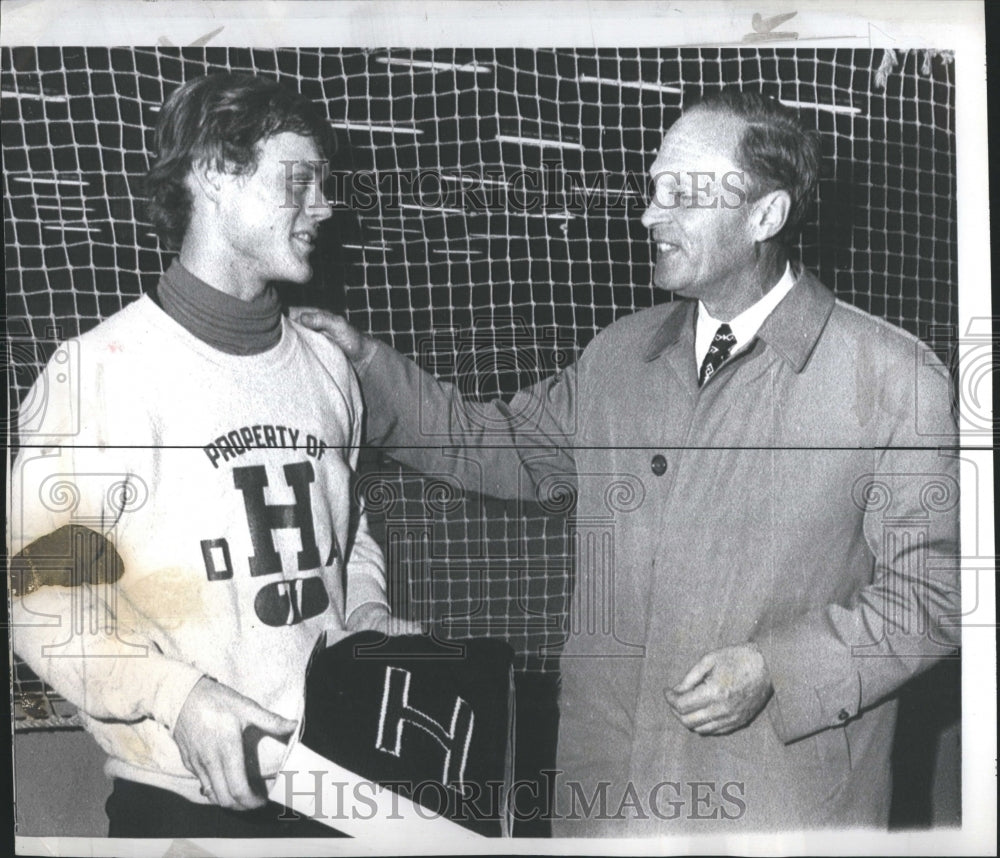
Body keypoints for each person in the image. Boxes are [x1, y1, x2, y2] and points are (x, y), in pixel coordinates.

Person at [295, 89, 960, 833]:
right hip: (606, 799)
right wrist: (366, 366)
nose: (650, 214)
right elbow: (495, 444)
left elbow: (937, 594)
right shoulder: (621, 356)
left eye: (682, 194)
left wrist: (778, 668)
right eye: (653, 190)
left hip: (778, 808)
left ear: (766, 216)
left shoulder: (892, 379)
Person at [9, 72, 406, 838]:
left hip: (340, 792)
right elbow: (39, 602)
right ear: (217, 174)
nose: (323, 205)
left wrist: (366, 608)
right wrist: (179, 695)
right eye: (300, 180)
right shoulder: (98, 373)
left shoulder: (327, 365)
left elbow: (345, 526)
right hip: (183, 808)